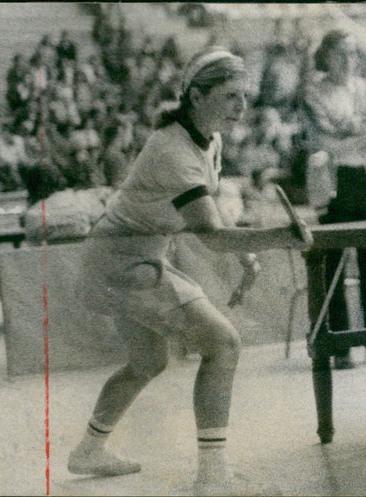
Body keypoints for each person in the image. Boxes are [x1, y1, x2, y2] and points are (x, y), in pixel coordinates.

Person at [67, 47, 312, 495]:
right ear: (196, 96)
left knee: (148, 361)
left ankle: (88, 451)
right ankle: (212, 477)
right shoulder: (172, 150)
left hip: (125, 255)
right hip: (121, 262)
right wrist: (279, 237)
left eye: (244, 96)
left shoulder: (208, 138)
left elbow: (209, 208)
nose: (242, 106)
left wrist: (245, 254)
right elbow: (211, 235)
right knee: (223, 344)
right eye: (230, 96)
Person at [302, 29, 366, 369]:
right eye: (340, 53)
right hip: (334, 183)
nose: (348, 60)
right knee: (333, 267)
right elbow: (325, 142)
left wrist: (348, 128)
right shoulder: (313, 93)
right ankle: (340, 348)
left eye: (352, 53)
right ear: (325, 56)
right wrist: (365, 130)